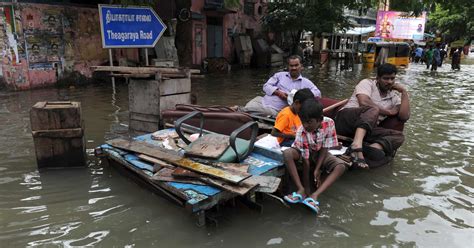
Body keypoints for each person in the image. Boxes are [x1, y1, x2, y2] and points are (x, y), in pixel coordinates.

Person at [335, 63, 410, 168]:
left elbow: (404, 116)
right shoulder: (367, 83)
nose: (390, 82)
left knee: (399, 136)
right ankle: (356, 146)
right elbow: (363, 102)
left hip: (366, 129)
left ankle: (367, 149)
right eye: (386, 78)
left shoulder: (394, 97)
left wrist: (404, 92)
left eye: (392, 78)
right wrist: (388, 112)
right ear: (378, 78)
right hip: (346, 120)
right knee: (373, 109)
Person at [283, 99, 347, 214]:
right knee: (287, 153)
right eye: (303, 122)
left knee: (341, 166)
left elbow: (325, 147)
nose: (306, 125)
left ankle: (315, 195)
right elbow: (306, 161)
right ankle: (301, 189)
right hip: (301, 152)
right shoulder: (301, 131)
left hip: (318, 152)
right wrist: (306, 188)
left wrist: (318, 169)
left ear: (319, 120)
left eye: (309, 122)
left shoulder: (329, 123)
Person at [240, 55, 321, 117]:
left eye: (296, 65)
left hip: (276, 110)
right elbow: (266, 86)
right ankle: (242, 110)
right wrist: (277, 92)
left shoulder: (306, 82)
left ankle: (238, 109)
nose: (293, 68)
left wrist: (294, 96)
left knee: (257, 111)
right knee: (251, 105)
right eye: (291, 65)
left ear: (301, 66)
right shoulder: (279, 75)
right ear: (288, 66)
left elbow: (318, 94)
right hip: (262, 100)